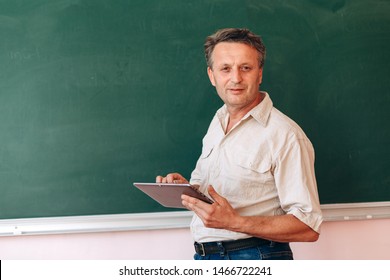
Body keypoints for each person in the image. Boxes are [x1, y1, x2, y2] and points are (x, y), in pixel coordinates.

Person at [156, 28, 323, 260]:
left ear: (260, 74)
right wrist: (186, 189)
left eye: (246, 68)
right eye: (225, 69)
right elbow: (216, 195)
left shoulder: (286, 135)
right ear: (212, 76)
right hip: (205, 256)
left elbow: (309, 226)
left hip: (256, 255)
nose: (236, 78)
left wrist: (236, 222)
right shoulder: (217, 122)